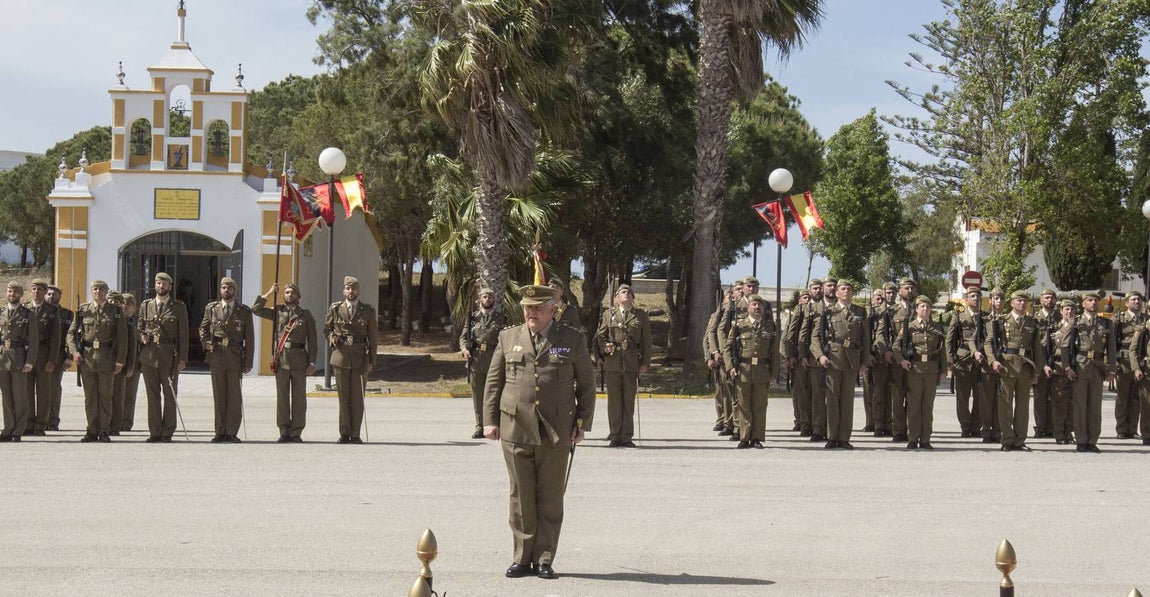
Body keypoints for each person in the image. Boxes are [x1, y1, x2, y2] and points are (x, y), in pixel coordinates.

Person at [483, 284, 595, 580]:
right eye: (527, 308)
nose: (530, 313)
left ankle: (544, 558)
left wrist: (582, 425)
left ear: (552, 310)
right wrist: (489, 421)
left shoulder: (572, 339)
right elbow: (494, 381)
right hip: (515, 426)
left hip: (556, 430)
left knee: (549, 496)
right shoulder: (508, 337)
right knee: (520, 496)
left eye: (537, 308)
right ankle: (521, 558)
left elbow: (586, 385)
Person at [811, 280, 872, 449]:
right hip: (833, 359)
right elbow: (815, 337)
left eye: (849, 289)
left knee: (847, 401)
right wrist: (820, 356)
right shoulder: (828, 312)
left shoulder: (860, 311)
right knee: (832, 400)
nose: (846, 291)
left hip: (852, 360)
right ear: (836, 293)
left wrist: (864, 362)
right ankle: (831, 436)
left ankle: (844, 437)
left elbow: (865, 339)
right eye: (843, 289)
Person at [253, 282, 317, 443]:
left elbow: (313, 341)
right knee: (282, 397)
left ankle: (296, 432)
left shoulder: (305, 315)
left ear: (298, 296)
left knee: (299, 398)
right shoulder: (277, 312)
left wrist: (312, 362)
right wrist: (268, 293)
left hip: (299, 360)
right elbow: (256, 309)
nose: (289, 295)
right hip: (281, 360)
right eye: (287, 292)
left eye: (293, 293)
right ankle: (284, 430)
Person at [67, 279, 127, 443]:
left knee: (105, 397)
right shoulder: (83, 310)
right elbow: (71, 335)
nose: (98, 292)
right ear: (91, 291)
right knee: (90, 397)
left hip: (107, 358)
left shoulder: (115, 311)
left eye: (101, 289)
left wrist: (119, 362)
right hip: (87, 359)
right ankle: (91, 430)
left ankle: (104, 430)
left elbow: (123, 338)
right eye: (95, 289)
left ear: (106, 292)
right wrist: (74, 353)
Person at [595, 284, 652, 447]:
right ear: (617, 298)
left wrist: (645, 362)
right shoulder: (609, 314)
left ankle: (626, 436)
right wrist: (605, 346)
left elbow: (647, 341)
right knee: (614, 402)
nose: (626, 293)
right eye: (622, 292)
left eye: (628, 292)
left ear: (633, 297)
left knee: (628, 401)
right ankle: (615, 435)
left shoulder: (640, 315)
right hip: (613, 362)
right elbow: (600, 335)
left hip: (631, 362)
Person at [986, 290, 1044, 451]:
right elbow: (988, 343)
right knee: (1005, 405)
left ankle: (1020, 440)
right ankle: (1007, 439)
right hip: (1006, 366)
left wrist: (1036, 371)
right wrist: (993, 361)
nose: (1022, 303)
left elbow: (1037, 349)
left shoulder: (1032, 323)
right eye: (1018, 301)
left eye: (1024, 301)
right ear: (1011, 303)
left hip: (1025, 367)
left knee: (1023, 406)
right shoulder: (1001, 321)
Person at [199, 277, 254, 443]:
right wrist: (205, 342)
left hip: (236, 357)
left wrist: (248, 363)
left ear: (234, 291)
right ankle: (220, 431)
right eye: (223, 287)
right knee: (219, 396)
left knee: (234, 397)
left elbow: (249, 338)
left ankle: (231, 432)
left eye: (229, 288)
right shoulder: (212, 308)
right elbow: (203, 328)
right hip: (217, 356)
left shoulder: (243, 311)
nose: (226, 290)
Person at [721, 294, 779, 449]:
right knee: (744, 405)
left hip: (762, 370)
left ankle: (757, 438)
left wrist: (774, 372)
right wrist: (730, 367)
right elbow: (728, 349)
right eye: (753, 304)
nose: (757, 307)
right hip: (743, 370)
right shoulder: (739, 326)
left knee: (759, 406)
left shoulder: (770, 327)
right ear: (748, 308)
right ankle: (744, 437)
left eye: (760, 305)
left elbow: (774, 352)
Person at [1061, 291, 1115, 453]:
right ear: (1083, 303)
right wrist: (1067, 367)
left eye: (1095, 301)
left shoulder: (1105, 324)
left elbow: (1111, 349)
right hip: (1080, 366)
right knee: (1079, 405)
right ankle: (1081, 440)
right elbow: (1065, 346)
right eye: (1089, 300)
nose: (1093, 303)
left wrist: (1111, 369)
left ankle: (1092, 440)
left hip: (1097, 367)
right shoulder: (1076, 322)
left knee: (1094, 406)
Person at [325, 275, 378, 444]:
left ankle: (355, 434)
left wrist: (371, 360)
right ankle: (344, 433)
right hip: (340, 357)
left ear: (358, 291)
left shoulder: (367, 310)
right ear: (344, 291)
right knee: (343, 398)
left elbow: (373, 337)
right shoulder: (335, 308)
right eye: (348, 288)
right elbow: (327, 328)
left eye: (353, 289)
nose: (351, 291)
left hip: (360, 357)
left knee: (357, 398)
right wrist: (331, 337)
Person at [137, 272, 189, 443]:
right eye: (158, 283)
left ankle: (167, 431)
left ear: (170, 286)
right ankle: (155, 431)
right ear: (155, 285)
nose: (161, 286)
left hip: (169, 357)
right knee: (152, 396)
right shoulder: (146, 305)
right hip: (149, 356)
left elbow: (183, 334)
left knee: (170, 395)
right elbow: (139, 327)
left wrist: (182, 359)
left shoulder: (178, 307)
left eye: (164, 284)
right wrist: (141, 337)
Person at [896, 295, 947, 449]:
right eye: (922, 307)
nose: (925, 309)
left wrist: (943, 370)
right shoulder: (909, 326)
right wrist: (902, 360)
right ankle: (913, 438)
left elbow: (942, 351)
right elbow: (896, 346)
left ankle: (925, 439)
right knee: (913, 405)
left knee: (927, 406)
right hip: (915, 369)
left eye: (928, 307)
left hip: (931, 370)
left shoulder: (936, 328)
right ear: (917, 309)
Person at [876, 277, 917, 443]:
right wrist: (885, 351)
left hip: (916, 361)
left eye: (911, 289)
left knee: (914, 397)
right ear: (900, 291)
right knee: (898, 397)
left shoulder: (921, 309)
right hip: (897, 360)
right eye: (906, 288)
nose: (909, 291)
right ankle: (899, 430)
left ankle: (914, 430)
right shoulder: (891, 312)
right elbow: (880, 334)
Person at [461, 287, 504, 439]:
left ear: (494, 300)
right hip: (476, 360)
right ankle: (480, 426)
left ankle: (494, 425)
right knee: (478, 396)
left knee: (494, 395)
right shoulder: (472, 318)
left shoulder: (501, 318)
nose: (487, 300)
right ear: (480, 300)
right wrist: (464, 350)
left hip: (494, 360)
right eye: (485, 297)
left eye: (490, 297)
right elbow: (464, 337)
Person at [0, 281, 38, 442]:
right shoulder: (1, 312)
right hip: (3, 358)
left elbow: (34, 340)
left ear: (21, 294)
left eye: (15, 292)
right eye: (9, 291)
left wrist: (30, 362)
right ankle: (7, 429)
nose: (12, 294)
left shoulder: (28, 314)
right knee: (6, 396)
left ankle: (18, 430)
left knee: (20, 396)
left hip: (19, 357)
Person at [800, 276, 837, 442]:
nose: (831, 288)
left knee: (834, 395)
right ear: (823, 287)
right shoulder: (812, 308)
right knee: (817, 396)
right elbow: (804, 333)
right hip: (815, 358)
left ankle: (832, 430)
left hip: (836, 359)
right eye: (828, 285)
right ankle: (817, 428)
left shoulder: (840, 307)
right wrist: (803, 355)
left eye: (834, 286)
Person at [946, 286, 984, 438]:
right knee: (962, 397)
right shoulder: (959, 317)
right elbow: (949, 339)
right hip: (963, 360)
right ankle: (965, 425)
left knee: (980, 396)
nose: (975, 298)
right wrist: (950, 361)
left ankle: (976, 426)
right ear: (967, 300)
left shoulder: (985, 316)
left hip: (981, 361)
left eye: (978, 296)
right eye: (972, 296)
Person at [25, 279, 61, 437]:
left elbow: (56, 337)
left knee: (44, 392)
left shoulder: (52, 310)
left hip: (44, 354)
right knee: (26, 391)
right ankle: (28, 423)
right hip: (26, 354)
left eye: (40, 289)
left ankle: (41, 424)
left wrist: (52, 359)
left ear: (45, 292)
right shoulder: (24, 308)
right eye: (34, 289)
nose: (36, 292)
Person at [787, 279, 822, 436]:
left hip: (819, 357)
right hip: (803, 355)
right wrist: (792, 356)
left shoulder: (825, 308)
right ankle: (805, 423)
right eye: (814, 288)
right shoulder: (800, 310)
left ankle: (818, 424)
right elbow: (793, 334)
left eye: (819, 288)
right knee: (803, 392)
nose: (817, 291)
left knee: (818, 393)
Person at [1112, 291, 1145, 439]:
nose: (1137, 302)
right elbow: (1111, 343)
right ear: (1126, 303)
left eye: (1139, 299)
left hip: (1141, 362)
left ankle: (1132, 429)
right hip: (1123, 362)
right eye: (1134, 299)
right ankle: (1121, 429)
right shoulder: (1119, 320)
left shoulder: (1146, 319)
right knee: (1123, 398)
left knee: (1136, 397)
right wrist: (1113, 363)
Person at [1044, 299, 1077, 444]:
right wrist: (1045, 365)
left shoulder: (1079, 328)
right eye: (1066, 309)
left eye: (1072, 310)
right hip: (1058, 369)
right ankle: (1059, 433)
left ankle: (1069, 432)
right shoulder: (1053, 329)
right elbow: (1044, 348)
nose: (1069, 312)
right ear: (1061, 311)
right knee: (1059, 404)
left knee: (1073, 403)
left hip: (1076, 369)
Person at [1031, 289, 1061, 438]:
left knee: (1056, 396)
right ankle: (1040, 427)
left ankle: (1052, 427)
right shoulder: (1035, 319)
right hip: (1040, 361)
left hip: (1056, 361)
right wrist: (1041, 365)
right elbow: (1033, 344)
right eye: (1046, 297)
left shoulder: (1060, 317)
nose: (1049, 300)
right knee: (1040, 397)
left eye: (1052, 298)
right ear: (1041, 300)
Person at [44, 285, 73, 432]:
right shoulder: (34, 311)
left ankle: (53, 420)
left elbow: (71, 337)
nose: (51, 296)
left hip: (58, 355)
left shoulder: (67, 314)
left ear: (60, 296)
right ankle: (38, 420)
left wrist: (69, 357)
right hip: (40, 353)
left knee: (54, 388)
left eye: (54, 294)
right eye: (48, 294)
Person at [782, 290, 812, 433]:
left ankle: (809, 421)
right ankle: (801, 420)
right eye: (805, 297)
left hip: (811, 357)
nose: (807, 300)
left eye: (809, 298)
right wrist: (788, 357)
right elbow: (786, 337)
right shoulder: (796, 316)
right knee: (799, 393)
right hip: (797, 357)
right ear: (799, 300)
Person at [865, 288, 892, 436]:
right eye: (878, 298)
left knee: (889, 394)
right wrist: (868, 354)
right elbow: (866, 337)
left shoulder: (891, 314)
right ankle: (877, 424)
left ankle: (889, 424)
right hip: (876, 358)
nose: (880, 301)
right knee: (877, 394)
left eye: (883, 298)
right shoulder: (870, 315)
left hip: (891, 359)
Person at [119, 293, 141, 432]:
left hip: (134, 362)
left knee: (129, 394)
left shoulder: (139, 321)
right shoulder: (116, 319)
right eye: (123, 303)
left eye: (128, 304)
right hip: (117, 361)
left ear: (134, 307)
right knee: (116, 394)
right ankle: (116, 421)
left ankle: (126, 422)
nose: (125, 306)